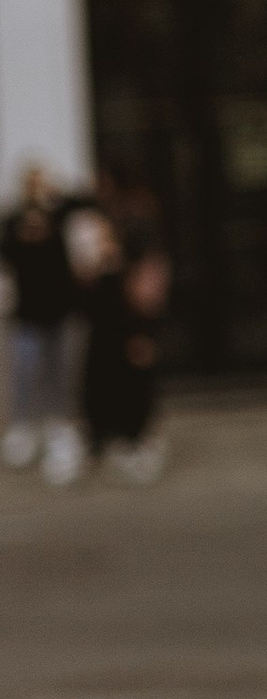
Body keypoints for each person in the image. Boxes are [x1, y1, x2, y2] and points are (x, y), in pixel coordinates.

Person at [78, 174, 171, 485]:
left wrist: (143, 333)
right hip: (107, 332)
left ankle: (139, 440)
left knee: (136, 381)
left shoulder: (140, 257)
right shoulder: (105, 255)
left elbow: (146, 299)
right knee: (106, 381)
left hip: (131, 328)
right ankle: (112, 437)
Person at [3, 160, 88, 486]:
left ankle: (58, 425)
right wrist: (23, 236)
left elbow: (84, 202)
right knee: (25, 371)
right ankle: (23, 426)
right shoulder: (14, 221)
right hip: (28, 312)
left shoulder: (59, 214)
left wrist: (58, 193)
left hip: (58, 309)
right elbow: (7, 254)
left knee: (57, 371)